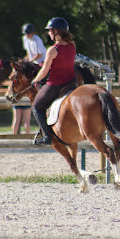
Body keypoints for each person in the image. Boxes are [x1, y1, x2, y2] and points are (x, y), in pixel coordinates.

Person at [30, 17, 77, 145]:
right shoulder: (72, 46)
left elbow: (44, 71)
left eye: (50, 31)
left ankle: (47, 137)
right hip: (72, 81)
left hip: (56, 83)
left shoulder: (53, 49)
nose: (49, 33)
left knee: (36, 107)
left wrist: (34, 80)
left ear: (56, 31)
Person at [12, 23, 47, 134]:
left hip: (41, 61)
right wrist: (25, 61)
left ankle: (43, 88)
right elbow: (28, 52)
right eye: (26, 34)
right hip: (32, 61)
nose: (27, 35)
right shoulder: (25, 39)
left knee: (44, 73)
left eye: (28, 33)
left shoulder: (37, 40)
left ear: (32, 33)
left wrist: (29, 61)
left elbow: (39, 55)